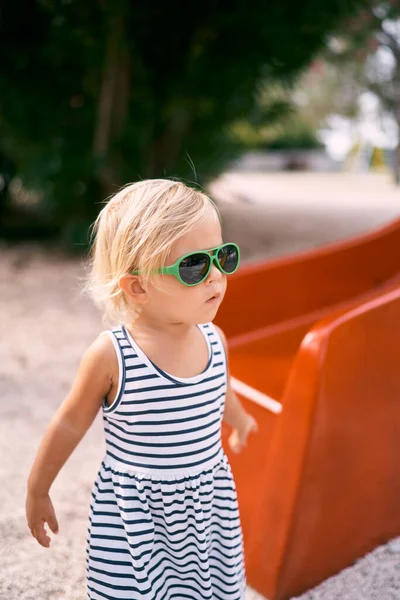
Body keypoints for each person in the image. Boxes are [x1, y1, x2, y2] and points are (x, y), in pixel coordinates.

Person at [26, 179, 258, 599]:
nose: (217, 277)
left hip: (207, 506)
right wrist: (38, 489)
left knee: (208, 587)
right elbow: (68, 425)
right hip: (138, 515)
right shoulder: (113, 356)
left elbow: (219, 389)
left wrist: (239, 419)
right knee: (133, 590)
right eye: (194, 266)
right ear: (137, 286)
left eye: (222, 257)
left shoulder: (214, 339)